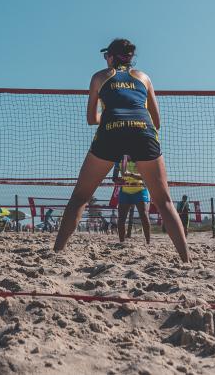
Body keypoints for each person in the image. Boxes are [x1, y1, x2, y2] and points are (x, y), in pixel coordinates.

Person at [54, 39, 190, 262]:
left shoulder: (100, 76)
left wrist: (111, 118)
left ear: (110, 57)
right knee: (164, 201)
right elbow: (157, 121)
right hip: (143, 130)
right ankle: (186, 259)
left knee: (79, 197)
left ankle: (57, 252)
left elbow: (91, 119)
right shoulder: (143, 77)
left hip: (111, 130)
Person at [114, 157, 152, 244]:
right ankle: (122, 243)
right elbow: (114, 178)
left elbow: (145, 176)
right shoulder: (118, 160)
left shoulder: (139, 158)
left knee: (144, 215)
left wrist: (130, 174)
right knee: (121, 218)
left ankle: (148, 243)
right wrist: (119, 180)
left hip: (140, 189)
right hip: (125, 190)